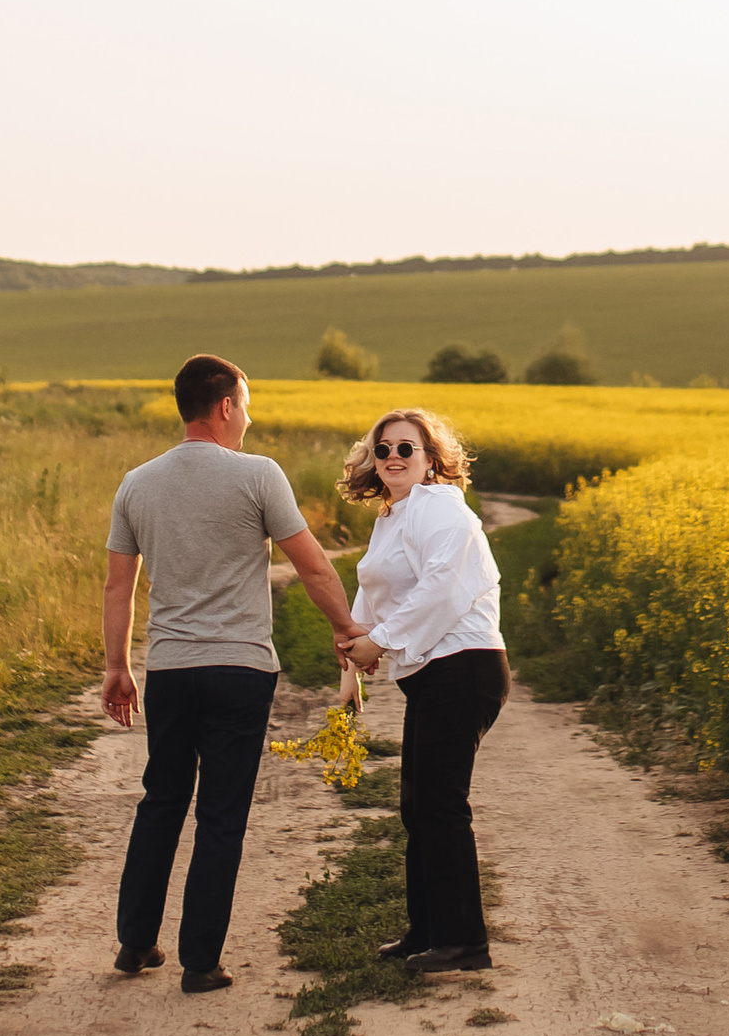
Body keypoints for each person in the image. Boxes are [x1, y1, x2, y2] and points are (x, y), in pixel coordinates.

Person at [103, 354, 362, 994]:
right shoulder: (258, 475)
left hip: (169, 669)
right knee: (221, 813)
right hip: (240, 669)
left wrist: (116, 666)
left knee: (162, 799)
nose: (248, 419)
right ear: (224, 407)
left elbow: (118, 587)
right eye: (245, 406)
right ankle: (200, 962)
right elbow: (312, 566)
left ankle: (134, 942)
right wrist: (346, 630)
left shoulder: (137, 483)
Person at [339, 405, 508, 975]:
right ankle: (428, 931)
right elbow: (373, 595)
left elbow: (441, 588)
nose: (392, 457)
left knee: (440, 806)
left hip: (465, 667)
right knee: (418, 807)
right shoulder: (394, 516)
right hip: (434, 673)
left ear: (431, 458)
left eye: (406, 448)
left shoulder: (440, 507)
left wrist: (381, 642)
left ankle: (464, 943)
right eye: (382, 448)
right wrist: (351, 668)